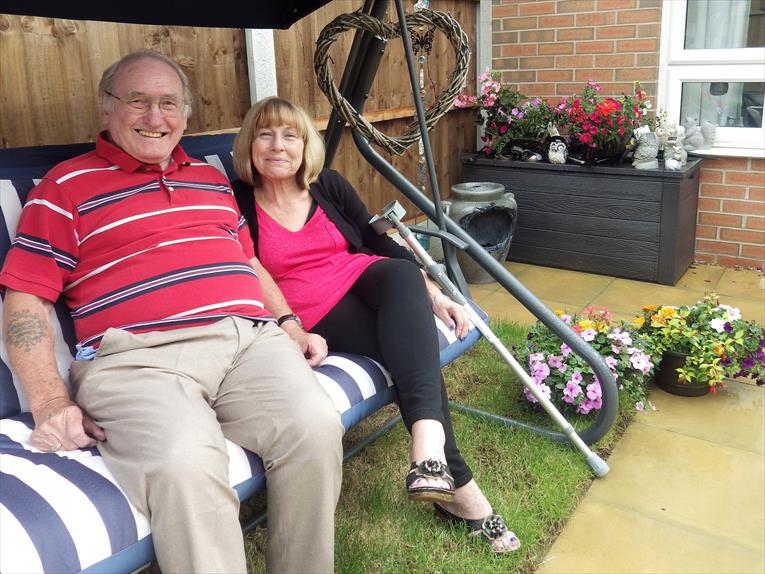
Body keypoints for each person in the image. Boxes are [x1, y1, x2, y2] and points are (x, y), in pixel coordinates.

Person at [0, 51, 343, 573]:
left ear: (185, 112)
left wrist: (288, 324)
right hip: (137, 360)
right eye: (138, 101)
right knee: (184, 460)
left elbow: (246, 260)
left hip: (248, 341)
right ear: (106, 106)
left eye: (168, 103)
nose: (155, 118)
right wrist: (49, 401)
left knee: (315, 425)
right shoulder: (62, 190)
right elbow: (26, 298)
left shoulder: (209, 180)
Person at [231, 96, 521, 554]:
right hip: (313, 307)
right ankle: (462, 491)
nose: (277, 145)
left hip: (360, 277)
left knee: (403, 273)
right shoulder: (236, 200)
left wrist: (433, 291)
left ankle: (426, 439)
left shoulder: (327, 184)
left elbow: (373, 241)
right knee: (410, 355)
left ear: (306, 145)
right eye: (265, 134)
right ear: (249, 144)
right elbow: (243, 270)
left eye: (290, 135)